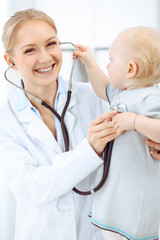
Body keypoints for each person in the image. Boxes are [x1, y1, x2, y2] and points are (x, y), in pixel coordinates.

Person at [0, 8, 119, 240]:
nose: (45, 58)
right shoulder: (5, 120)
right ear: (10, 60)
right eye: (30, 50)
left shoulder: (97, 98)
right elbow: (32, 188)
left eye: (51, 44)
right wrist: (90, 149)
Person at [73, 26, 160, 240]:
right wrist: (90, 62)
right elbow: (102, 87)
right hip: (117, 188)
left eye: (111, 60)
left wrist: (135, 121)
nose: (107, 65)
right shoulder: (122, 93)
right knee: (111, 228)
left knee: (131, 229)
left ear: (130, 69)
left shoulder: (150, 99)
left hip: (138, 191)